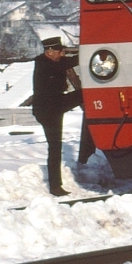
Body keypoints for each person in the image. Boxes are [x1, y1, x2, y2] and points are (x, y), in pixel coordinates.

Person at [32, 36, 83, 196]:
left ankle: (56, 185)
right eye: (60, 52)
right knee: (55, 147)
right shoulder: (44, 65)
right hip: (49, 109)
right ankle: (55, 186)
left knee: (55, 147)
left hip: (54, 105)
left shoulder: (50, 62)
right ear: (50, 52)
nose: (62, 55)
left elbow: (68, 61)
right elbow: (69, 62)